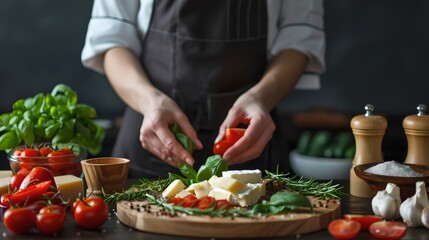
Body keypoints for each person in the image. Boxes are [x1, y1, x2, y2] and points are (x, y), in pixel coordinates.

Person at [81, 0, 325, 178]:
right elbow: (113, 41)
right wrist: (150, 102)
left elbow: (298, 40)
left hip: (252, 145)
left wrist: (260, 98)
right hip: (152, 141)